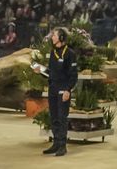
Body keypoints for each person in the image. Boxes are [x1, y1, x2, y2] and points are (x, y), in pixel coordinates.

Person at [44, 27, 78, 157]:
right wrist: (40, 71)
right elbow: (50, 72)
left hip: (63, 89)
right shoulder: (53, 52)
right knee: (54, 117)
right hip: (53, 88)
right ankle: (56, 143)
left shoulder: (70, 53)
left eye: (54, 35)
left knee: (62, 117)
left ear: (61, 38)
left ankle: (63, 146)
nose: (52, 37)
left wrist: (68, 90)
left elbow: (73, 75)